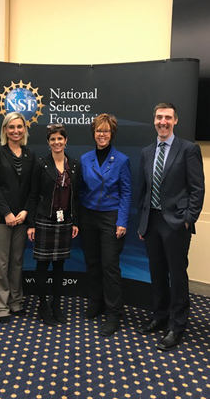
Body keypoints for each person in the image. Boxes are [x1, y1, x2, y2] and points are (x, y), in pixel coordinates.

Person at [137, 102, 205, 351]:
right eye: (158, 117)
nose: (162, 121)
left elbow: (197, 188)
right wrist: (142, 222)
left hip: (176, 224)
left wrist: (188, 219)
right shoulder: (146, 152)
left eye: (167, 117)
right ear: (154, 120)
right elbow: (143, 190)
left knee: (176, 276)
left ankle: (177, 325)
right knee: (156, 272)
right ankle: (160, 315)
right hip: (151, 222)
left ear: (176, 120)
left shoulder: (188, 149)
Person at [79, 113, 132, 337]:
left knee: (110, 266)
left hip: (111, 217)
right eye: (99, 131)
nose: (102, 135)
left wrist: (122, 221)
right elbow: (80, 189)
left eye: (106, 131)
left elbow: (127, 192)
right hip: (88, 216)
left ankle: (114, 313)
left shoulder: (121, 160)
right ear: (94, 133)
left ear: (112, 134)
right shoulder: (84, 159)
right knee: (92, 262)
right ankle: (96, 302)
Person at [27, 123, 79, 326]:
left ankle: (56, 304)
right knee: (42, 265)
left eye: (60, 139)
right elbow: (32, 195)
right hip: (44, 220)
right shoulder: (41, 164)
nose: (57, 142)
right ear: (48, 143)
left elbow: (76, 196)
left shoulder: (74, 165)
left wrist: (75, 220)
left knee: (59, 265)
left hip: (65, 220)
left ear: (66, 141)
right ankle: (42, 306)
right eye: (53, 139)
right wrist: (31, 224)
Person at [0, 112, 35, 323]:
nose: (16, 131)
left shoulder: (30, 154)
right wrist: (6, 212)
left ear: (25, 129)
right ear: (5, 130)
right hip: (0, 218)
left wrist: (24, 212)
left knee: (17, 261)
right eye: (11, 127)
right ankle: (0, 306)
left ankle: (16, 302)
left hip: (22, 218)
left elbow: (33, 188)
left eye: (19, 127)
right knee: (1, 262)